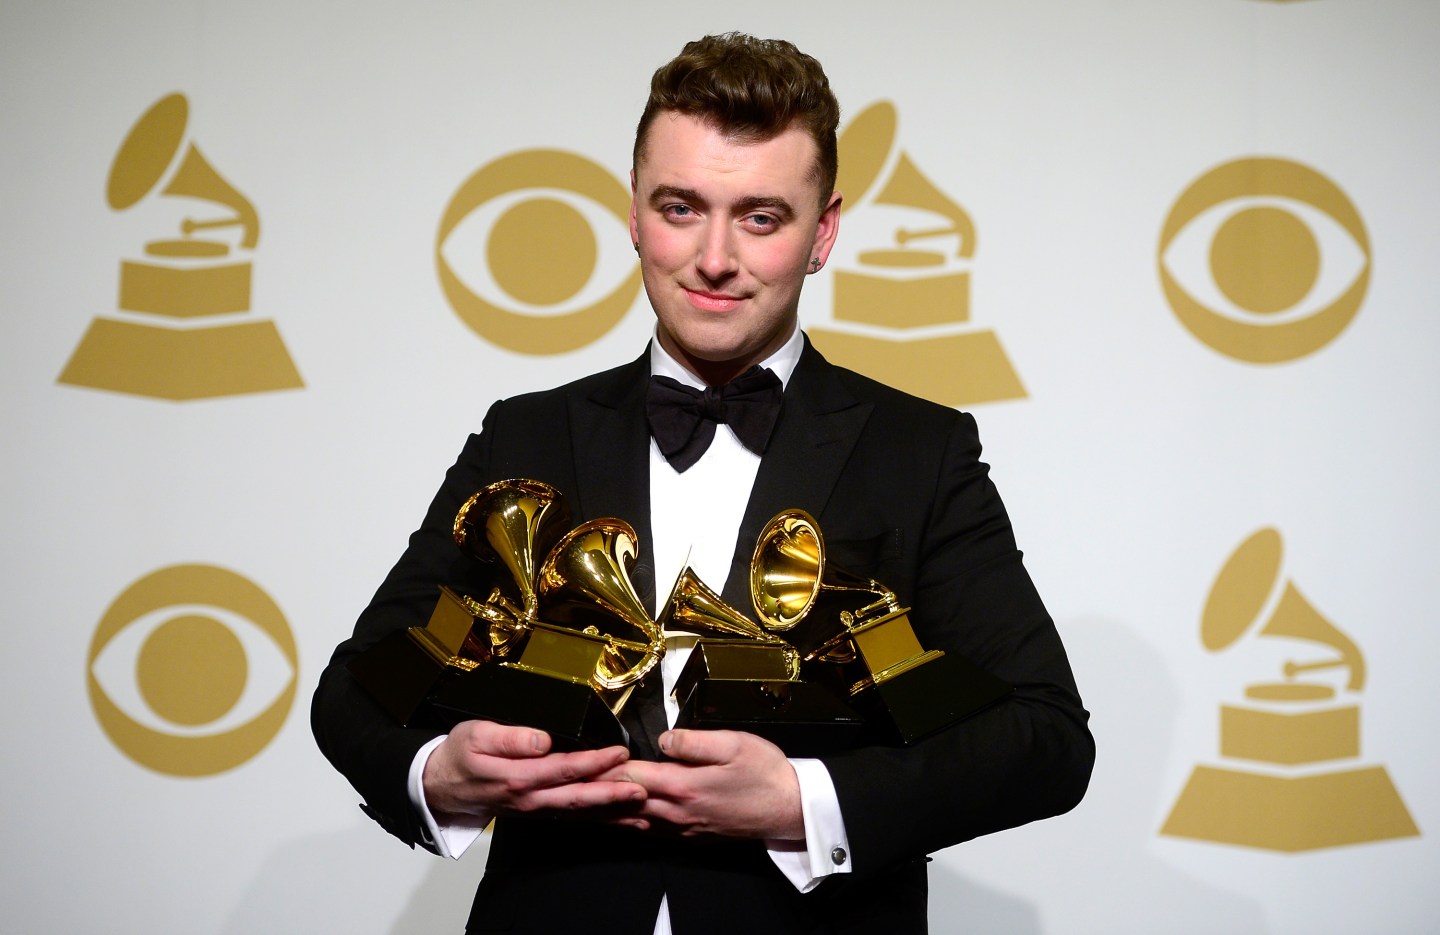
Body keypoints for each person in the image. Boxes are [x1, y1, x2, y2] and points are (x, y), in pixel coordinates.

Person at [313, 32, 1093, 934]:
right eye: (681, 208)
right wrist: (437, 773)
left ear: (823, 232)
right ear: (634, 215)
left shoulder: (919, 449)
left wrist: (805, 801)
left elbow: (1046, 738)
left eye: (761, 217)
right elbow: (352, 693)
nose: (714, 257)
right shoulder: (524, 434)